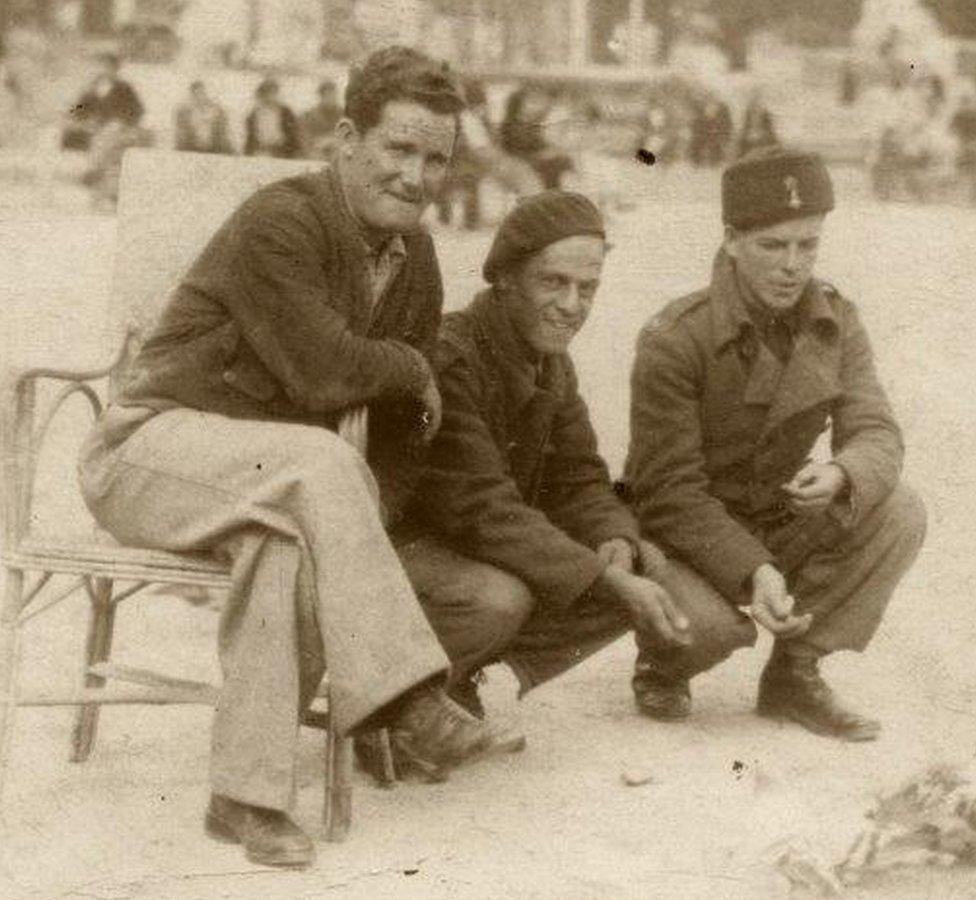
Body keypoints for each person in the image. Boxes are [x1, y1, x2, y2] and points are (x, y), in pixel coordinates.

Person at [77, 46, 496, 870]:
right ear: (347, 138)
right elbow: (324, 368)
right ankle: (408, 696)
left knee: (290, 545)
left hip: (268, 480)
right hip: (149, 450)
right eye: (398, 149)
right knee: (314, 469)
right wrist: (413, 364)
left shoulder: (419, 262)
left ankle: (245, 797)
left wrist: (369, 512)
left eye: (436, 158)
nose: (416, 176)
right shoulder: (284, 220)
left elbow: (408, 428)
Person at [624, 147, 926, 740]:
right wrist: (755, 568)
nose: (793, 266)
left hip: (774, 515)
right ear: (732, 240)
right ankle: (662, 663)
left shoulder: (836, 320)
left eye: (807, 246)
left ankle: (795, 671)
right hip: (685, 534)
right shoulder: (676, 337)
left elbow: (876, 430)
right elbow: (667, 491)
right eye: (773, 246)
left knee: (897, 509)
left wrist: (842, 473)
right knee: (709, 630)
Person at [398, 191, 693, 727]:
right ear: (505, 277)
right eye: (554, 282)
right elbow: (480, 508)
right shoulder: (451, 355)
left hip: (478, 546)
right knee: (500, 599)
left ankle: (452, 675)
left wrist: (614, 541)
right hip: (405, 549)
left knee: (640, 563)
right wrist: (601, 577)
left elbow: (579, 475)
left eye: (588, 288)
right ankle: (394, 706)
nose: (572, 305)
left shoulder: (550, 364)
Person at [64, 52, 144, 151]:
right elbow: (80, 106)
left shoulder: (124, 88)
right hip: (94, 127)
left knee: (106, 137)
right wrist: (74, 115)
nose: (105, 70)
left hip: (115, 129)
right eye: (102, 67)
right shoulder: (92, 87)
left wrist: (121, 122)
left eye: (109, 67)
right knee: (68, 135)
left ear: (116, 69)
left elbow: (137, 110)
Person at [499, 85, 574, 189]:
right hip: (523, 165)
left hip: (533, 163)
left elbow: (539, 144)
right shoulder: (516, 127)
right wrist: (547, 154)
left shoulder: (531, 125)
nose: (536, 107)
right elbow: (518, 152)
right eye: (532, 102)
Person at [244, 77, 301, 159]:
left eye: (272, 93)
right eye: (265, 94)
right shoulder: (253, 115)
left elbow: (294, 136)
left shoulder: (286, 113)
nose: (269, 97)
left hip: (282, 152)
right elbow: (250, 140)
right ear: (260, 96)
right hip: (260, 153)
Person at [174, 80, 233, 155]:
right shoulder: (183, 113)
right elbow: (181, 138)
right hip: (192, 151)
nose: (200, 97)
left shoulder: (218, 112)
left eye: (202, 93)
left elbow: (224, 137)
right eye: (196, 94)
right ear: (192, 95)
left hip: (214, 151)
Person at [298, 78, 343, 160]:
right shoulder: (310, 115)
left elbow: (349, 135)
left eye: (333, 94)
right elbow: (304, 137)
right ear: (321, 96)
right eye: (327, 95)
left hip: (338, 151)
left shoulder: (343, 114)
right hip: (317, 152)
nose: (331, 98)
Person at [734, 88, 777, 159]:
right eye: (754, 109)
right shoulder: (747, 122)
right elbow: (741, 147)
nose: (756, 110)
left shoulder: (766, 119)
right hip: (751, 152)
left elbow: (771, 138)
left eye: (757, 108)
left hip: (764, 150)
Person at [690, 97, 733, 167]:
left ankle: (714, 161)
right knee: (699, 144)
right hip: (705, 136)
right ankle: (697, 162)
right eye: (709, 110)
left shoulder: (720, 119)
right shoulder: (701, 119)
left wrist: (717, 133)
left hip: (713, 137)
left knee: (715, 145)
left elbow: (723, 129)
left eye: (712, 110)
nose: (710, 112)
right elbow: (698, 129)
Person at [950, 90, 976, 205]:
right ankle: (961, 194)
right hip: (961, 145)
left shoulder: (973, 116)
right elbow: (951, 131)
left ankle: (969, 195)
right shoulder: (958, 115)